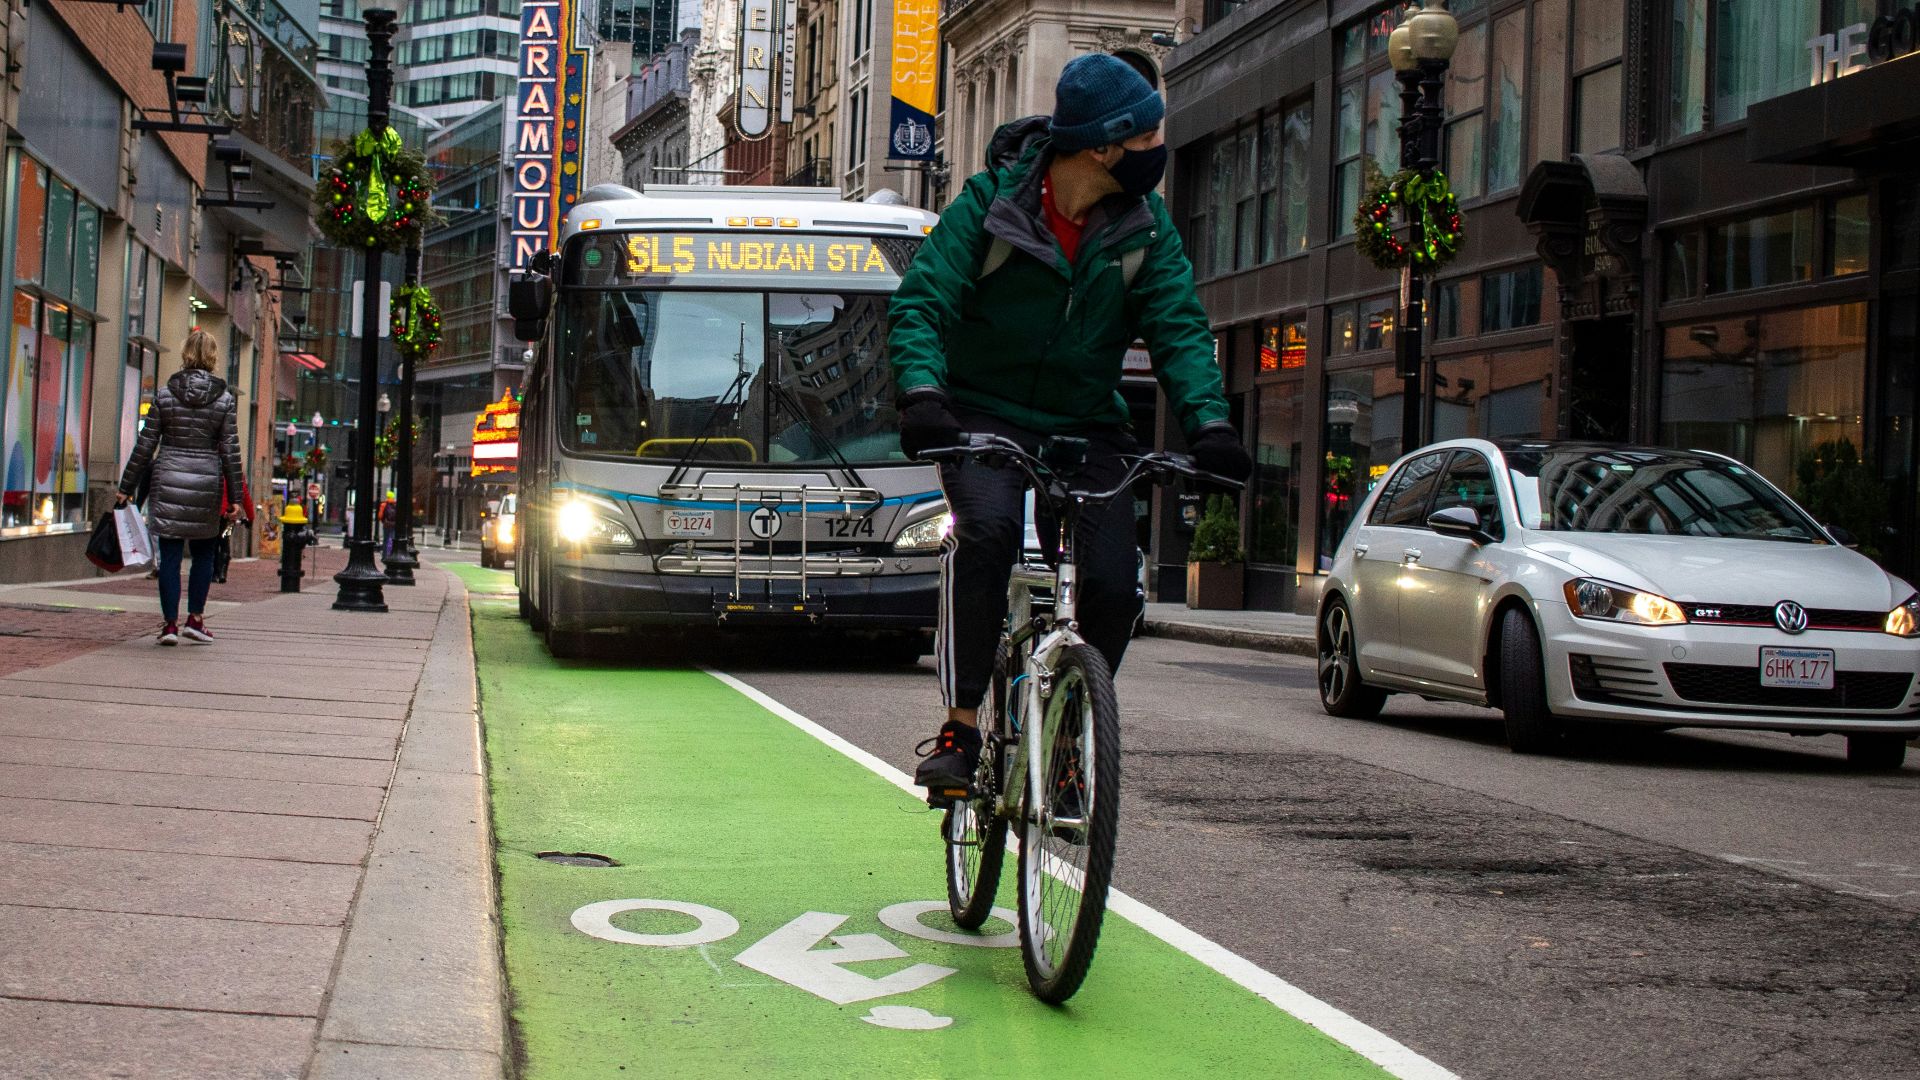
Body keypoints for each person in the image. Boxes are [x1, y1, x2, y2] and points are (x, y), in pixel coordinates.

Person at [888, 53, 1253, 798]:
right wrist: (924, 392)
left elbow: (1180, 330)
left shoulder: (1145, 233)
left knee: (1117, 587)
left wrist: (1210, 425)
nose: (1161, 150)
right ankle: (960, 725)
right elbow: (922, 302)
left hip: (1088, 427)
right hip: (982, 416)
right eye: (1151, 137)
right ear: (1103, 146)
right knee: (983, 535)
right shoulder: (989, 208)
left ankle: (1068, 736)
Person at [117, 330, 247, 645]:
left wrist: (127, 486)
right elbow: (230, 449)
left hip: (169, 476)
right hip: (206, 480)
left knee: (171, 555)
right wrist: (237, 498)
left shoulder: (164, 395)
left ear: (185, 353)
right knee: (204, 553)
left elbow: (146, 444)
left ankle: (170, 625)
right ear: (213, 357)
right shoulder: (225, 400)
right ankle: (196, 619)